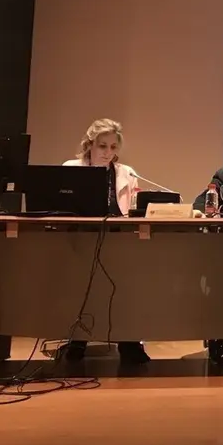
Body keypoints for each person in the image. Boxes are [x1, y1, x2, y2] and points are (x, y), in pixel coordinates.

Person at [60, 118, 150, 365]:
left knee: (125, 291)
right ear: (89, 145)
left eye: (113, 147)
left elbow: (134, 207)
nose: (108, 153)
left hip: (118, 238)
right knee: (82, 290)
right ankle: (77, 341)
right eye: (102, 146)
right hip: (81, 238)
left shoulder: (126, 172)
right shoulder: (71, 168)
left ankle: (129, 342)